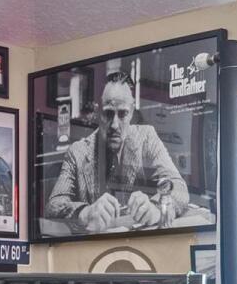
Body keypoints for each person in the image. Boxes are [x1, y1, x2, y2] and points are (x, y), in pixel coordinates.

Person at [44, 74, 189, 235]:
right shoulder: (77, 152)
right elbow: (53, 205)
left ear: (131, 112)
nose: (114, 125)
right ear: (98, 112)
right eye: (108, 113)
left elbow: (179, 188)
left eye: (122, 114)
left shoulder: (146, 138)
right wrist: (85, 213)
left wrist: (156, 208)